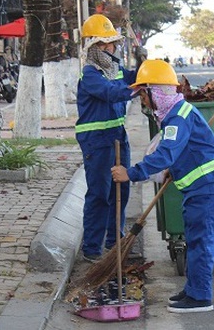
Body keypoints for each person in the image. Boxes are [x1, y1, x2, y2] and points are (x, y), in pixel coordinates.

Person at [111, 60, 214, 313]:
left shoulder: (178, 118)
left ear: (156, 92)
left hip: (209, 189)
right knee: (196, 240)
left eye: (144, 95)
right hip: (203, 189)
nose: (143, 102)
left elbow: (166, 154)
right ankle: (193, 289)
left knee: (201, 243)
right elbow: (179, 154)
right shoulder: (177, 114)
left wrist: (131, 173)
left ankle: (200, 298)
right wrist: (173, 169)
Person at [75, 14, 145, 263]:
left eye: (112, 44)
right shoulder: (90, 75)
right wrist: (135, 90)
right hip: (96, 140)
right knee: (100, 193)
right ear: (95, 48)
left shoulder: (114, 69)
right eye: (106, 44)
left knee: (121, 189)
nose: (111, 48)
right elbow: (111, 93)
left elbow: (131, 78)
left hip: (117, 136)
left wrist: (143, 68)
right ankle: (92, 249)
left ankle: (115, 243)